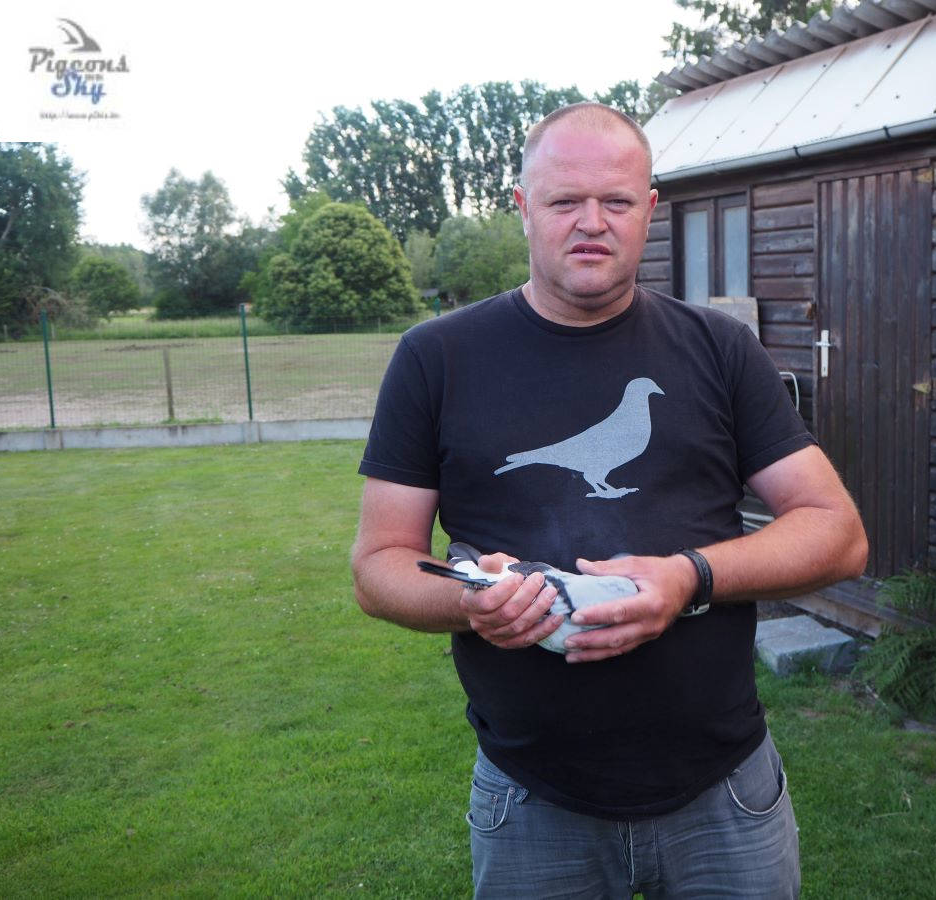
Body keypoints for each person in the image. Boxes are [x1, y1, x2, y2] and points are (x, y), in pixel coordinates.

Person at [351, 102, 868, 898]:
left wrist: (690, 577)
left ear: (649, 209)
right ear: (523, 207)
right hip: (533, 797)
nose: (592, 223)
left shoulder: (721, 349)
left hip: (725, 791)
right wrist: (473, 605)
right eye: (565, 200)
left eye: (617, 201)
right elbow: (379, 565)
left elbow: (838, 533)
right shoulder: (436, 357)